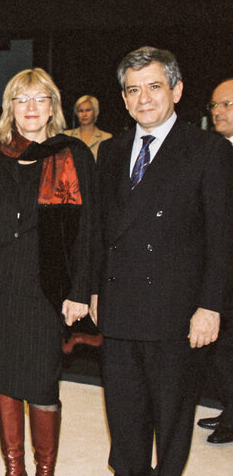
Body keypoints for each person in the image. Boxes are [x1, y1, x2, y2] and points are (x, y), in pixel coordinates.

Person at [93, 48, 233, 476]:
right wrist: (96, 290)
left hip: (177, 314)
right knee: (125, 422)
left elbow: (223, 239)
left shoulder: (208, 150)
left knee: (171, 427)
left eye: (154, 87)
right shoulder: (111, 152)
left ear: (176, 90)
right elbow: (100, 232)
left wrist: (210, 308)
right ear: (123, 99)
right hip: (119, 311)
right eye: (133, 90)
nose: (144, 98)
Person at [0, 68, 95, 476]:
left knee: (42, 384)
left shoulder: (74, 155)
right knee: (5, 378)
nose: (30, 108)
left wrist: (80, 292)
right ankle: (14, 468)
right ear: (10, 108)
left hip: (47, 291)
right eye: (22, 100)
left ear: (52, 105)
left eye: (39, 99)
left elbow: (88, 233)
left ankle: (45, 470)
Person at [195, 78, 233, 445]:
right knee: (223, 347)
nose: (218, 112)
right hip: (221, 267)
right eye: (214, 106)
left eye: (227, 105)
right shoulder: (215, 151)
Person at [64, 95, 112, 160]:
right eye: (80, 111)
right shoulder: (67, 136)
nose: (84, 114)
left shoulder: (106, 138)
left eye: (88, 110)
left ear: (95, 112)